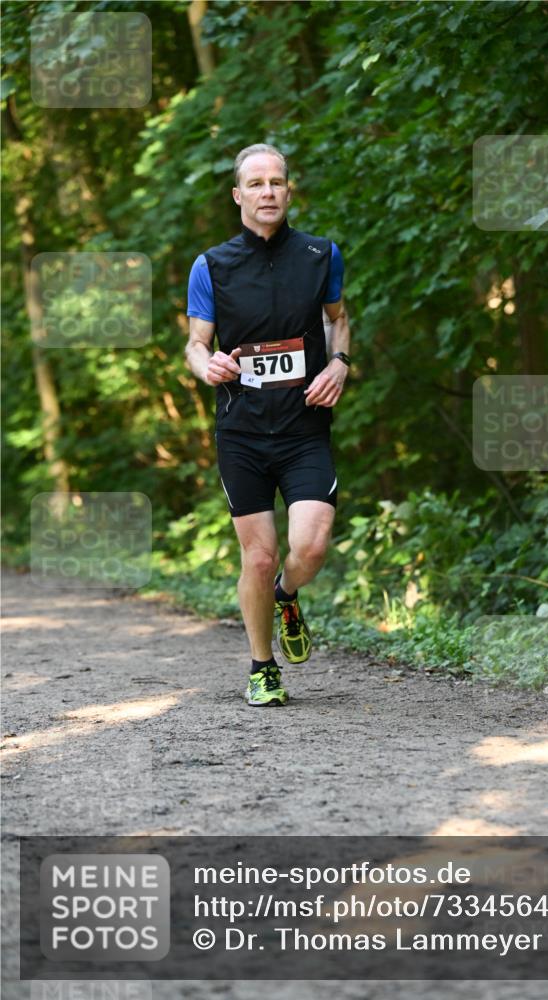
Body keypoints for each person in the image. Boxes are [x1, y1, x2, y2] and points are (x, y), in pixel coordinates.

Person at [185, 143, 351, 707]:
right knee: (256, 555)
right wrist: (206, 365)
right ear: (238, 195)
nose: (268, 192)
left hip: (304, 428)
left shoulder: (321, 255)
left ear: (289, 191)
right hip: (243, 433)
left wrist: (339, 364)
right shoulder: (212, 265)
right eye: (256, 184)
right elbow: (195, 343)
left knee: (311, 546)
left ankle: (287, 595)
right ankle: (262, 666)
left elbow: (339, 321)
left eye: (277, 182)